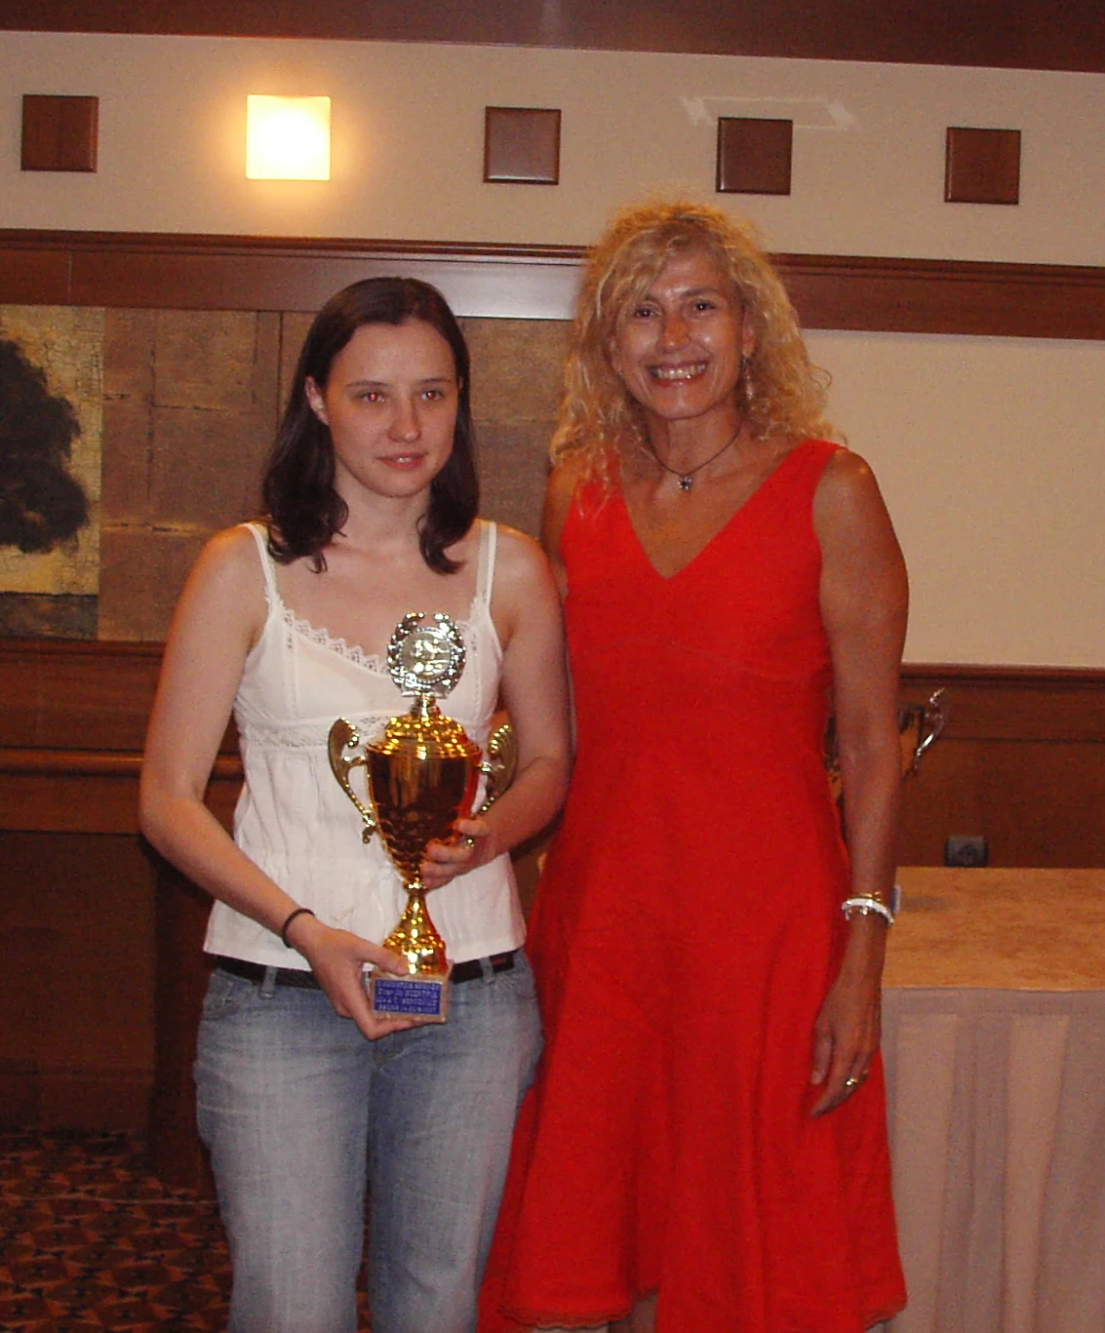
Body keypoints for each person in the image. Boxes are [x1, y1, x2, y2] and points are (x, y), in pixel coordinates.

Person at [481, 199, 911, 1333]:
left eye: (699, 307)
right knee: (603, 1249)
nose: (673, 338)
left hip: (767, 933)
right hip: (607, 921)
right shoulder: (577, 494)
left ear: (750, 329)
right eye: (641, 312)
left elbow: (870, 749)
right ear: (608, 347)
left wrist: (861, 950)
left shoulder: (832, 491)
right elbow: (552, 728)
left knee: (757, 1260)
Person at [138, 277, 570, 1333]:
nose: (406, 425)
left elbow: (551, 759)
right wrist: (304, 929)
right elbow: (165, 799)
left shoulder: (508, 569)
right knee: (292, 1308)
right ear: (317, 400)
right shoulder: (241, 569)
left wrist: (483, 839)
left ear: (460, 401)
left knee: (437, 1307)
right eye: (372, 395)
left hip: (464, 993)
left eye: (431, 393)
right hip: (281, 989)